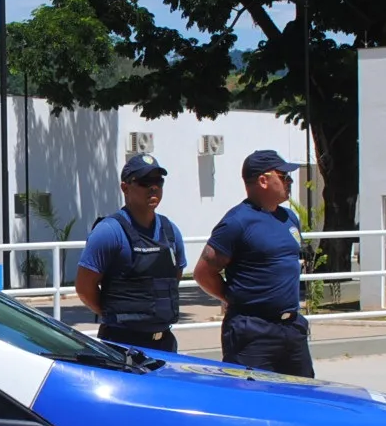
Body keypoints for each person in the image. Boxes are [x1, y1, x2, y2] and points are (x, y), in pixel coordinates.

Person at [194, 149, 313, 376]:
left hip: (291, 329)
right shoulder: (237, 222)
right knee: (251, 401)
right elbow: (203, 272)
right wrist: (232, 297)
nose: (289, 181)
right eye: (283, 176)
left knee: (303, 399)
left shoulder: (289, 218)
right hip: (253, 333)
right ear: (263, 180)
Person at [75, 152, 188, 353]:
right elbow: (85, 287)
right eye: (144, 181)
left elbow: (173, 278)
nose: (153, 187)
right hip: (122, 344)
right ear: (125, 188)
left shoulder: (171, 232)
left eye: (158, 181)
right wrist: (117, 312)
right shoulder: (109, 232)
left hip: (165, 344)